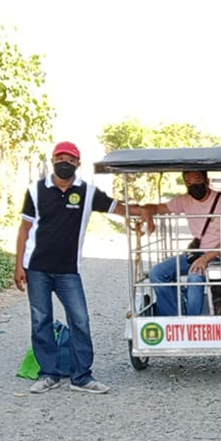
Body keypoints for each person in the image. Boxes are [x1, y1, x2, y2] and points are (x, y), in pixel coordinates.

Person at [14, 141, 133, 395]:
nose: (64, 163)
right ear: (52, 161)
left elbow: (118, 208)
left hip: (68, 271)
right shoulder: (36, 191)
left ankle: (82, 376)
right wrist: (18, 266)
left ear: (78, 163)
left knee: (80, 319)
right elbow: (24, 229)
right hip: (37, 269)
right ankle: (49, 375)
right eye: (60, 159)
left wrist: (143, 214)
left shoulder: (87, 192)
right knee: (40, 320)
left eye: (70, 159)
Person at [144, 171, 221, 316]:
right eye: (188, 182)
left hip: (218, 256)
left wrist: (205, 258)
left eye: (197, 180)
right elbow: (158, 208)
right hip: (196, 254)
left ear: (206, 181)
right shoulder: (185, 200)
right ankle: (175, 317)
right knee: (157, 273)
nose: (193, 185)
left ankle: (192, 324)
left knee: (194, 276)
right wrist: (146, 213)